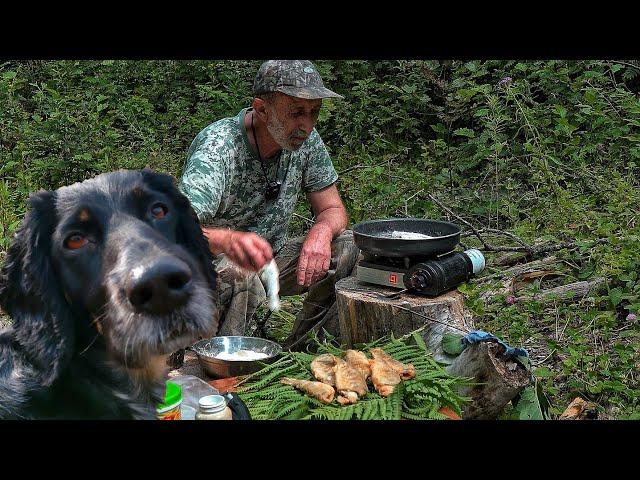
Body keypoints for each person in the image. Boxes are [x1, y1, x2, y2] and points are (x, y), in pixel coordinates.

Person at [179, 60, 359, 350]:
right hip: (212, 270)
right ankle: (229, 364)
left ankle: (300, 354)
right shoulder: (219, 149)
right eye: (297, 112)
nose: (307, 124)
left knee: (349, 246)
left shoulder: (306, 141)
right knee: (240, 270)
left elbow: (333, 209)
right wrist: (229, 240)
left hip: (273, 258)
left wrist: (321, 233)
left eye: (314, 112)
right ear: (262, 109)